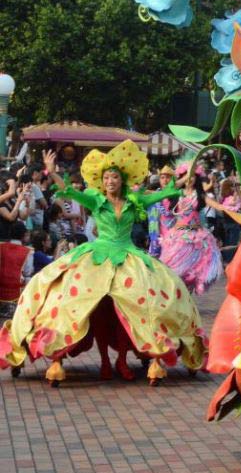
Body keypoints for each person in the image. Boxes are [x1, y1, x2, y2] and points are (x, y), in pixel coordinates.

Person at [0, 142, 206, 384]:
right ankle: (64, 357)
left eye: (115, 177)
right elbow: (69, 191)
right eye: (107, 177)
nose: (110, 181)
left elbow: (165, 194)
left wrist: (184, 181)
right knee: (65, 297)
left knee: (149, 303)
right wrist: (52, 171)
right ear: (102, 180)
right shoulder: (96, 200)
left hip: (128, 257)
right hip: (96, 257)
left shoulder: (135, 200)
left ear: (122, 180)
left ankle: (142, 357)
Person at [158, 163, 223, 295]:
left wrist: (234, 212)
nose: (190, 178)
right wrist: (186, 175)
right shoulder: (177, 193)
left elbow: (218, 206)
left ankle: (186, 299)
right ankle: (177, 298)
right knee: (175, 272)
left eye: (193, 175)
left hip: (197, 237)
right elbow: (171, 186)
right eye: (187, 175)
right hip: (179, 238)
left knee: (193, 274)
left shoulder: (200, 196)